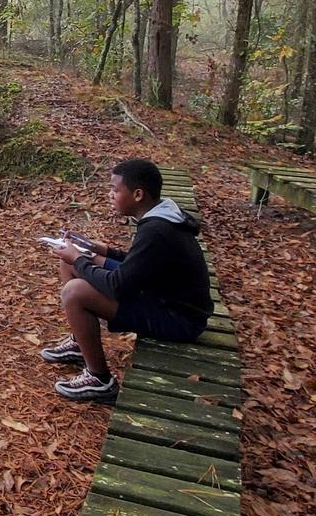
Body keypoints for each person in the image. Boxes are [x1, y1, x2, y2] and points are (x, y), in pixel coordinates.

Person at [38, 158, 213, 401]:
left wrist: (79, 258)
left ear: (138, 194)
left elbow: (117, 286)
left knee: (75, 291)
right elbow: (139, 262)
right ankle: (81, 342)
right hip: (160, 295)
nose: (110, 195)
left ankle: (100, 379)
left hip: (180, 319)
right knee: (69, 262)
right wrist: (99, 250)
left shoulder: (156, 230)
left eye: (115, 190)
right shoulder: (161, 216)